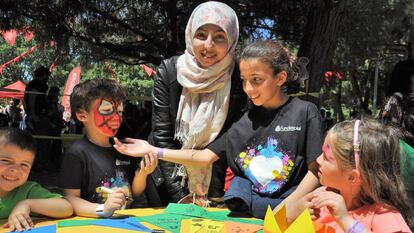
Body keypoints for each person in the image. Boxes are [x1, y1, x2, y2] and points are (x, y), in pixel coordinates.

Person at [114, 40, 323, 218]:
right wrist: (153, 151)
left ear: (280, 78)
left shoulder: (305, 112)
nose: (249, 89)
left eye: (257, 80)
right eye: (244, 81)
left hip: (294, 211)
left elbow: (316, 169)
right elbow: (204, 157)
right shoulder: (243, 122)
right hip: (250, 215)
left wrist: (289, 206)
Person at [148, 1, 247, 206]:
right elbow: (162, 136)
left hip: (217, 185)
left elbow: (232, 136)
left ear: (232, 39)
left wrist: (212, 194)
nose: (208, 45)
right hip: (168, 179)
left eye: (219, 36)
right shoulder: (168, 71)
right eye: (201, 35)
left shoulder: (239, 75)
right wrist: (180, 196)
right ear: (190, 35)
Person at [59, 79, 158, 218]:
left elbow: (134, 192)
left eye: (120, 111)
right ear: (82, 115)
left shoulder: (124, 148)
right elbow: (70, 199)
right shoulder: (76, 154)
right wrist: (102, 209)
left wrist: (143, 173)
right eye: (106, 110)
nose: (116, 118)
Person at [307, 119, 413, 232]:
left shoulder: (385, 216)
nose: (318, 160)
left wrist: (345, 220)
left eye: (326, 158)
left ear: (352, 177)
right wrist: (303, 213)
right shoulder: (322, 195)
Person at [0, 128, 73, 232]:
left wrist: (27, 204)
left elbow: (66, 208)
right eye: (6, 161)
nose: (15, 170)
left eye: (24, 164)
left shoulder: (28, 190)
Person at [23, 66, 52, 171]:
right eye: (47, 76)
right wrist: (33, 114)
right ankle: (43, 165)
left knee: (33, 142)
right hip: (38, 117)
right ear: (44, 75)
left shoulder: (31, 84)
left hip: (33, 116)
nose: (48, 78)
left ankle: (35, 165)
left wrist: (29, 113)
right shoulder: (38, 85)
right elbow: (32, 98)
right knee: (43, 142)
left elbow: (25, 100)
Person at [381, 59, 414, 147]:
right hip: (403, 156)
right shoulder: (394, 101)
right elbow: (390, 131)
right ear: (406, 79)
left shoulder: (410, 101)